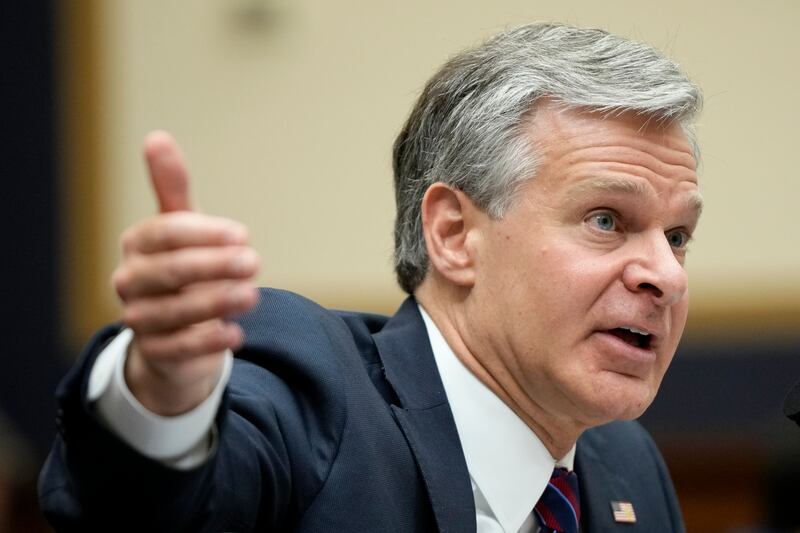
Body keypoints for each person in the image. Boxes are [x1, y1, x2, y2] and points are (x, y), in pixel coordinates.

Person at [39, 23, 703, 532]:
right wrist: (162, 397)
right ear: (453, 235)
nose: (665, 276)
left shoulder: (628, 467)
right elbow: (151, 508)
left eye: (677, 236)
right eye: (607, 220)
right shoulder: (318, 392)